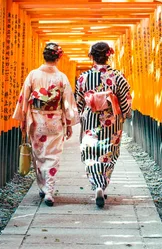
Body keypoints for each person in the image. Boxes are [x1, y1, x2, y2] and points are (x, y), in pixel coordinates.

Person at [13, 43, 79, 206]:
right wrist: (69, 123)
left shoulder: (33, 75)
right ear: (58, 58)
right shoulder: (61, 77)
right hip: (55, 120)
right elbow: (68, 102)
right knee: (53, 156)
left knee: (39, 155)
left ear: (44, 56)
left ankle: (44, 188)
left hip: (37, 120)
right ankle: (49, 190)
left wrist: (23, 120)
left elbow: (24, 99)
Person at [75, 42, 132, 208]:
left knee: (91, 152)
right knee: (109, 151)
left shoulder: (83, 77)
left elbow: (79, 101)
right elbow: (125, 99)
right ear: (109, 55)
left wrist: (79, 115)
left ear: (91, 56)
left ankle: (96, 184)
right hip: (111, 121)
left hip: (91, 120)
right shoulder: (117, 76)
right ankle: (102, 183)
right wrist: (125, 115)